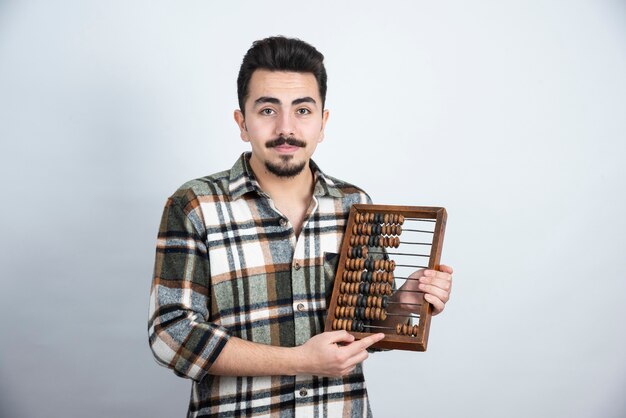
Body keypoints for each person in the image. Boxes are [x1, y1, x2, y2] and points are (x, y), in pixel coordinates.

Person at [148, 36, 453, 418]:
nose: (286, 128)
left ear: (323, 123)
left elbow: (361, 328)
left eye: (303, 110)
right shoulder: (195, 205)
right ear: (242, 123)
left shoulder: (353, 204)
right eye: (267, 110)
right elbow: (170, 336)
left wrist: (404, 303)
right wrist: (299, 360)